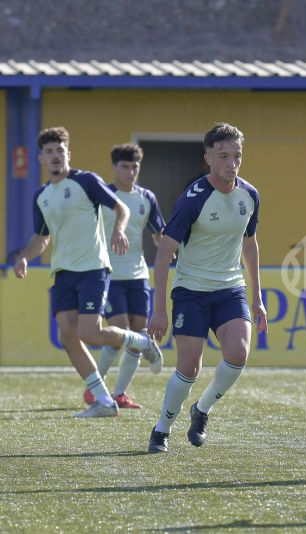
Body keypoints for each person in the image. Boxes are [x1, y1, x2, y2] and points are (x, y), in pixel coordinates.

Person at [13, 127, 163, 418]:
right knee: (69, 336)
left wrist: (119, 229)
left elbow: (121, 208)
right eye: (49, 151)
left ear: (69, 154)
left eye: (60, 150)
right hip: (62, 273)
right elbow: (41, 237)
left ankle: (142, 341)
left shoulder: (85, 180)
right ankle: (104, 401)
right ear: (40, 158)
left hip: (93, 268)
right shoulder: (41, 196)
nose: (55, 156)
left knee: (90, 333)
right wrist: (24, 258)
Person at [146, 122, 267, 453]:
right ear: (208, 159)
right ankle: (162, 429)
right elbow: (163, 254)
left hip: (230, 289)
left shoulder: (250, 195)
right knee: (189, 367)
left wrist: (257, 299)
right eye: (224, 156)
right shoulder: (193, 199)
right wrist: (158, 308)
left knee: (239, 353)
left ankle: (202, 410)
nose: (232, 163)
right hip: (191, 291)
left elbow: (250, 245)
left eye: (237, 156)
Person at [82, 143, 166, 409]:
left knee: (138, 333)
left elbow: (158, 233)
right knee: (122, 332)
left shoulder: (146, 198)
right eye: (125, 167)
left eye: (135, 167)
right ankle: (95, 387)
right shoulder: (103, 196)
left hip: (138, 274)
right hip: (108, 273)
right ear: (114, 167)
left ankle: (119, 393)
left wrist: (169, 248)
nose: (131, 172)